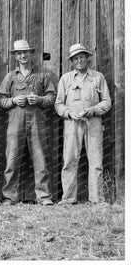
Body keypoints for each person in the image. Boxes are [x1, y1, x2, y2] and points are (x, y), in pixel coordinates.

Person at [0, 39, 54, 206]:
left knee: (40, 158)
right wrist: (14, 101)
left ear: (31, 54)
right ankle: (9, 197)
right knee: (12, 158)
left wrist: (39, 99)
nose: (23, 56)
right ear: (16, 56)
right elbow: (0, 100)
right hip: (15, 121)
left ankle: (43, 197)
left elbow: (51, 98)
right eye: (19, 53)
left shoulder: (43, 75)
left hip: (37, 121)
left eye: (25, 53)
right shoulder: (10, 77)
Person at [55, 43, 111, 205]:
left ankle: (97, 199)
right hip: (72, 124)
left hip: (93, 123)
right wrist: (68, 113)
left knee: (96, 160)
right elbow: (58, 104)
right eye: (75, 58)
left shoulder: (98, 77)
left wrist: (92, 110)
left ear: (87, 59)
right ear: (72, 61)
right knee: (69, 160)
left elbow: (107, 102)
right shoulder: (65, 79)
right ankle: (68, 198)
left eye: (82, 57)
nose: (79, 60)